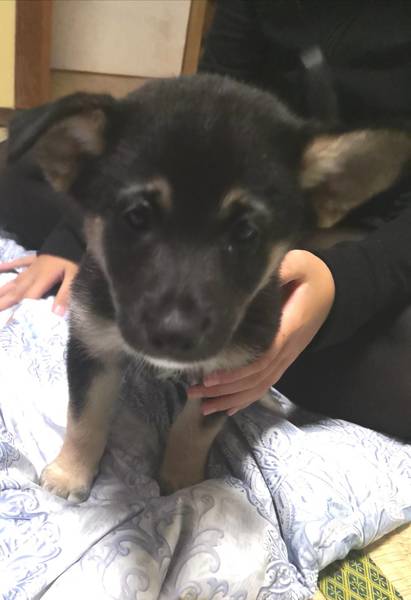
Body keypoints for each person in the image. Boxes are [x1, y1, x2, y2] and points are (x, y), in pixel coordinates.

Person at [0, 0, 410, 436]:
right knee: (13, 168)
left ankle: (267, 339)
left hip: (366, 231)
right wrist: (72, 237)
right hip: (224, 184)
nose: (174, 321)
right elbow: (193, 122)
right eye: (138, 218)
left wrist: (340, 285)